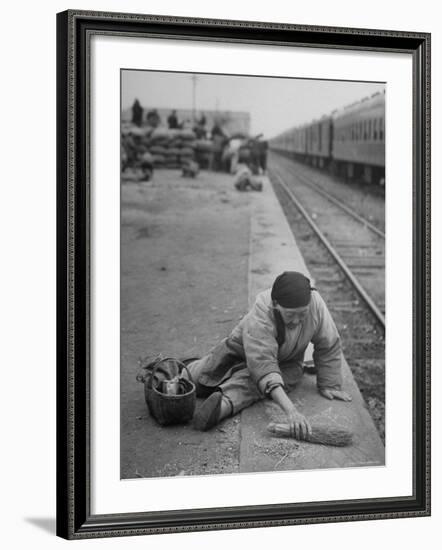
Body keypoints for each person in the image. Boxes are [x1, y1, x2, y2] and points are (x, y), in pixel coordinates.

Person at [187, 271, 351, 437]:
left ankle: (221, 406)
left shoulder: (314, 303)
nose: (296, 321)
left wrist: (329, 383)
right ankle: (175, 376)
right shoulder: (263, 309)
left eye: (302, 314)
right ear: (276, 305)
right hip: (238, 351)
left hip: (286, 363)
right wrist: (292, 412)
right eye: (290, 314)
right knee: (203, 374)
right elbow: (263, 364)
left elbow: (328, 343)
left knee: (252, 383)